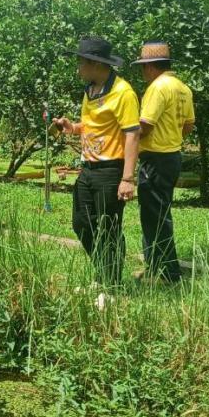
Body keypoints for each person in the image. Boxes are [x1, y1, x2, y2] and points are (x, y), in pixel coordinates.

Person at [53, 36, 139, 286]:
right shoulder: (90, 90)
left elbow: (132, 134)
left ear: (95, 64)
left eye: (80, 62)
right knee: (81, 223)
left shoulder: (123, 93)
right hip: (88, 168)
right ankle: (104, 271)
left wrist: (127, 178)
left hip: (111, 171)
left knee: (110, 229)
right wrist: (72, 127)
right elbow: (93, 126)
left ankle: (110, 284)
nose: (78, 68)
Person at [131, 42, 195, 283]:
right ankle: (154, 267)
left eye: (142, 68)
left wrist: (126, 138)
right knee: (158, 213)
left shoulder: (157, 88)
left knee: (155, 217)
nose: (142, 73)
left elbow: (144, 125)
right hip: (172, 157)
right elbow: (188, 125)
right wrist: (172, 138)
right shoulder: (182, 88)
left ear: (149, 67)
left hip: (155, 158)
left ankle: (167, 273)